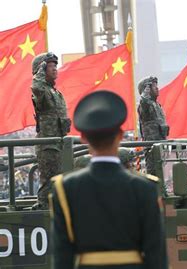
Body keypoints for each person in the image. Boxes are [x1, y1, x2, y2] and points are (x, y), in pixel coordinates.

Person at [50, 91, 167, 269]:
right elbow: (156, 256)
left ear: (83, 138)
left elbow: (62, 256)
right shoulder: (145, 187)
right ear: (120, 135)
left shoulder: (65, 188)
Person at [31, 52, 71, 209]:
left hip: (58, 143)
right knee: (48, 183)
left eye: (56, 65)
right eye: (51, 66)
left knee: (58, 181)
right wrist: (40, 71)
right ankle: (42, 212)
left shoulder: (55, 92)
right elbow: (36, 86)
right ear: (41, 69)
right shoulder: (42, 92)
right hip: (48, 146)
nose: (55, 69)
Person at [137, 76, 169, 176]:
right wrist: (146, 88)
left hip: (161, 144)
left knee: (164, 174)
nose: (157, 88)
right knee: (154, 175)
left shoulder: (157, 105)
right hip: (152, 148)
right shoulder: (145, 105)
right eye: (154, 86)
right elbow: (144, 101)